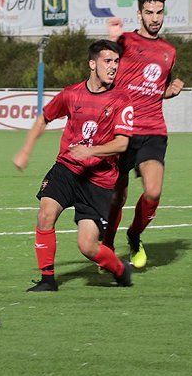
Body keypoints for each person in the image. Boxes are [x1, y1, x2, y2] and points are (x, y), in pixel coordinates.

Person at [13, 40, 135, 291]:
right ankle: (48, 281)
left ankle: (120, 269)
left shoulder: (122, 99)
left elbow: (122, 144)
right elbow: (43, 118)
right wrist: (25, 151)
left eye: (116, 62)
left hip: (99, 180)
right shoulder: (72, 94)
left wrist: (91, 151)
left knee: (87, 246)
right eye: (107, 61)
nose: (113, 67)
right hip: (67, 169)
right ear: (92, 64)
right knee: (45, 213)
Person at [103, 0, 185, 268]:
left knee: (152, 192)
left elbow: (154, 89)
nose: (155, 18)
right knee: (116, 196)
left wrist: (169, 92)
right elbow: (104, 72)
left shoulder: (169, 52)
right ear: (139, 14)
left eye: (159, 12)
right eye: (149, 12)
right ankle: (107, 245)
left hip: (152, 129)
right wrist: (111, 42)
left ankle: (134, 235)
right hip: (121, 128)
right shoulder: (124, 41)